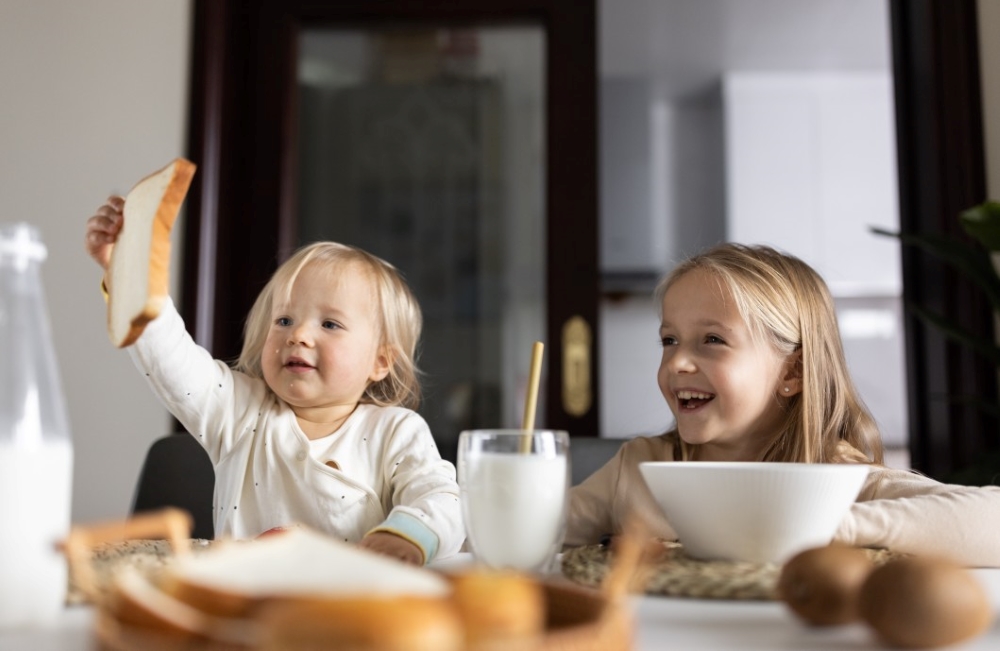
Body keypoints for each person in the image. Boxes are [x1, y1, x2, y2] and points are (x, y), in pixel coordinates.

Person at [567, 243, 1000, 567]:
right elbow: (535, 533)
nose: (676, 362)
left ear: (792, 373)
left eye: (713, 340)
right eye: (669, 340)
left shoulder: (836, 480)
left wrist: (814, 528)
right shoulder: (639, 469)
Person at [85, 197, 463, 565]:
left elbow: (442, 498)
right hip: (245, 612)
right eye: (284, 320)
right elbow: (168, 355)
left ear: (380, 361)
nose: (298, 335)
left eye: (329, 324)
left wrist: (406, 535)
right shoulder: (237, 411)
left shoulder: (396, 431)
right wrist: (128, 271)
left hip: (350, 611)